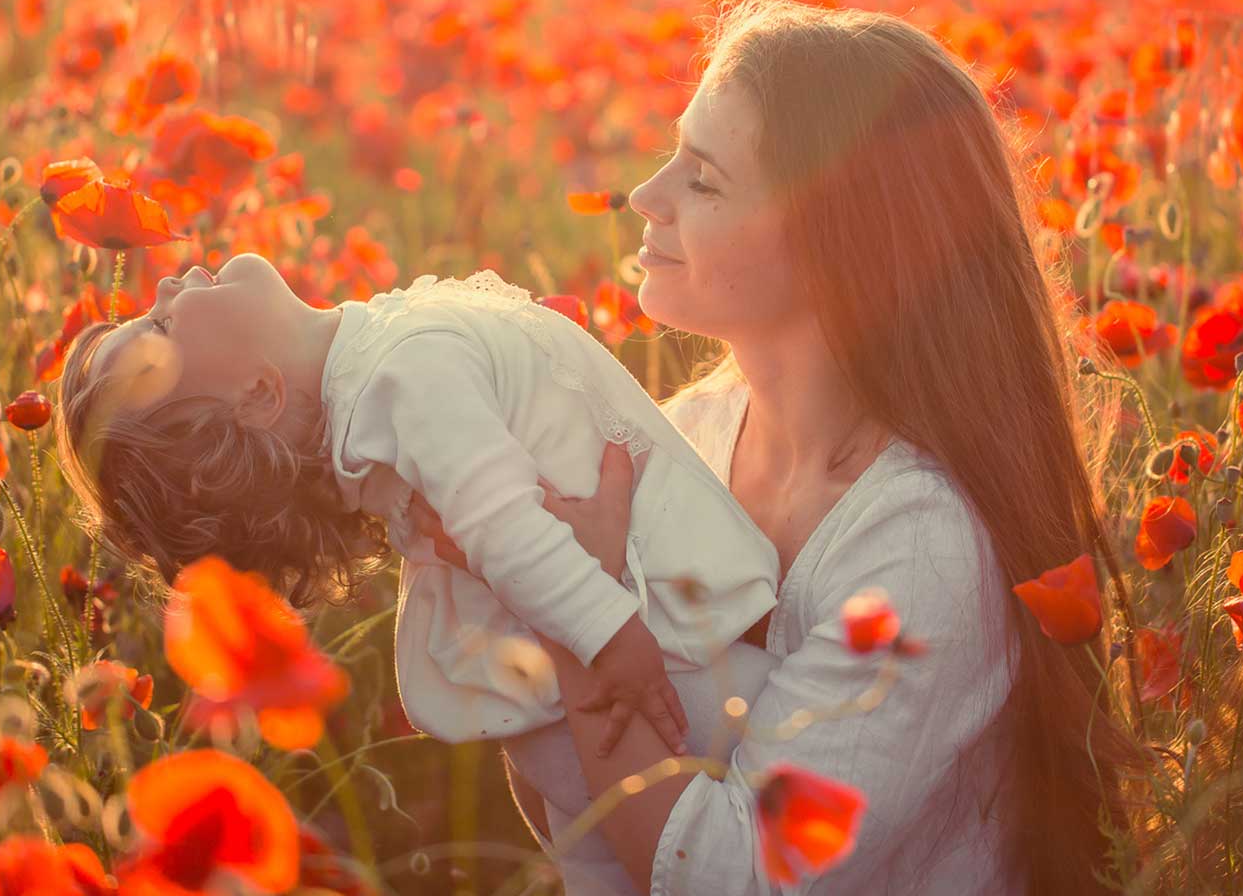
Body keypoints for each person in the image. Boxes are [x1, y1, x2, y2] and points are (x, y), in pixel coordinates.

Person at [427, 0, 1144, 894]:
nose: (645, 197)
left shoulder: (920, 545)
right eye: (671, 157)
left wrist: (578, 610)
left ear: (841, 243)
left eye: (704, 178)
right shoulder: (678, 441)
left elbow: (732, 878)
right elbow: (578, 814)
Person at [52, 251, 782, 757]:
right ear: (259, 395)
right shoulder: (403, 378)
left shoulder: (376, 370)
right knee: (780, 731)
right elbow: (503, 526)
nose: (160, 294)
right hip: (655, 643)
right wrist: (615, 642)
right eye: (159, 331)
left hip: (627, 630)